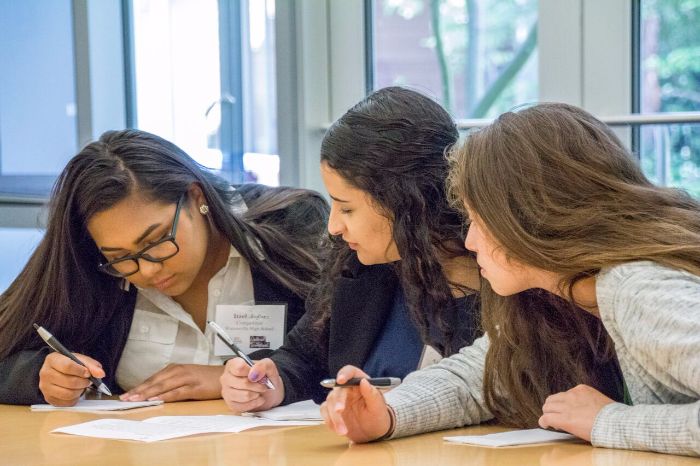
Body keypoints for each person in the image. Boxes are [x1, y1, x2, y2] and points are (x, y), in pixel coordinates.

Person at [321, 102, 700, 457]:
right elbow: (475, 379)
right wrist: (386, 414)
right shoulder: (560, 294)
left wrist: (607, 421)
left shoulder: (637, 287)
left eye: (478, 221)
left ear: (528, 217)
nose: (469, 241)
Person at [0, 129, 329, 406]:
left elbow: (346, 356)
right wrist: (39, 375)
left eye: (156, 242)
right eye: (121, 257)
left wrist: (235, 380)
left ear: (195, 196)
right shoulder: (91, 260)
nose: (146, 271)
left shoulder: (291, 224)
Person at [219, 87, 483, 413]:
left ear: (405, 202)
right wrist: (272, 382)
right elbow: (305, 357)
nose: (333, 227)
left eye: (346, 209)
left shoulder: (503, 282)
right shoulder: (361, 266)